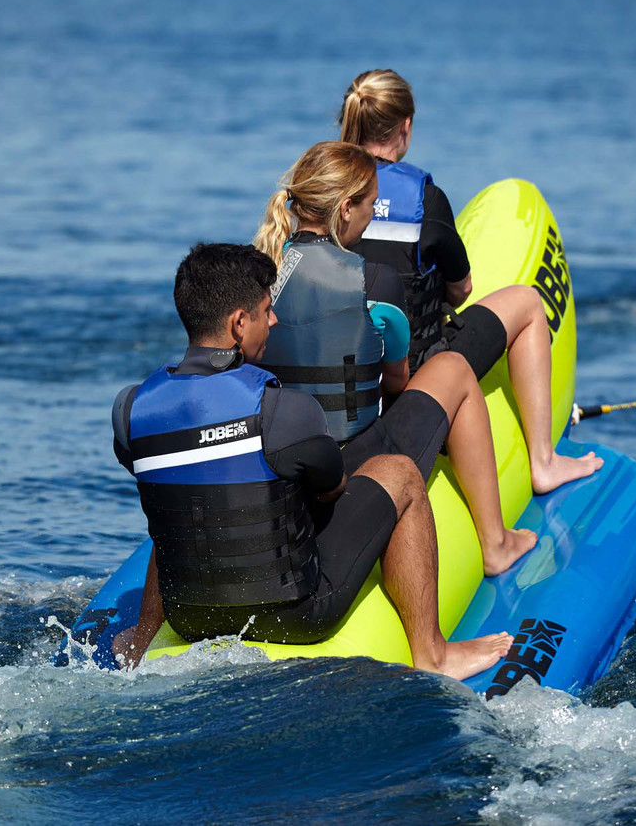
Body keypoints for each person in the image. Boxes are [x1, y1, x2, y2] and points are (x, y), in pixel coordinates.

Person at [110, 243, 512, 680]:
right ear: (239, 323)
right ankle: (433, 653)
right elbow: (333, 486)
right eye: (267, 311)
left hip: (190, 619)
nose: (274, 321)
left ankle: (144, 635)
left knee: (180, 500)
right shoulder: (284, 409)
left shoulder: (130, 410)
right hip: (295, 614)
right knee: (399, 472)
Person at [253, 141, 537, 576]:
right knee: (453, 369)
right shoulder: (375, 281)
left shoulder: (257, 276)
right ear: (345, 208)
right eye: (369, 204)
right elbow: (397, 383)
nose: (371, 217)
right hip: (355, 458)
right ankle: (495, 542)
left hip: (280, 459)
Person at [339, 69, 603, 494]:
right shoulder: (425, 200)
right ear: (405, 127)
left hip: (346, 377)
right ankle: (543, 462)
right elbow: (462, 289)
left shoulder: (326, 191)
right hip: (415, 375)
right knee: (528, 303)